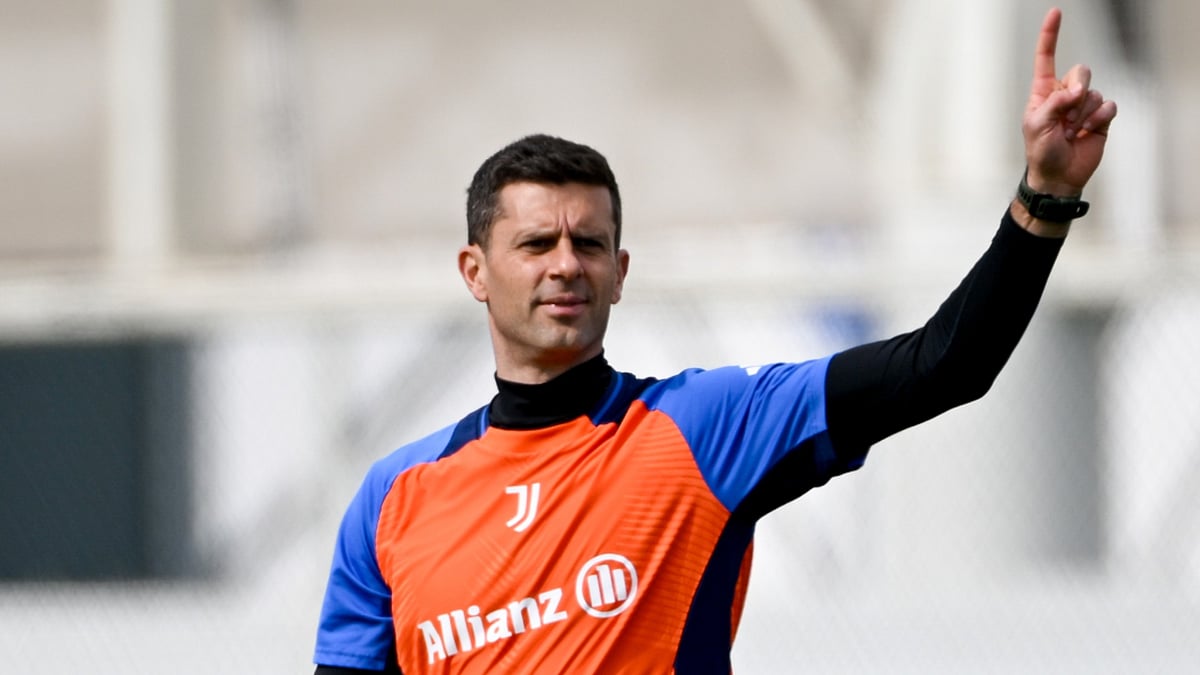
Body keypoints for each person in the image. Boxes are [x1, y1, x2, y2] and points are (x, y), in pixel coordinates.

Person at [312, 8, 1117, 674]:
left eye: (588, 244)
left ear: (620, 271)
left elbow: (947, 362)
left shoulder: (705, 425)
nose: (567, 265)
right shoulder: (393, 500)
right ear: (475, 270)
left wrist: (1043, 198)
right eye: (536, 245)